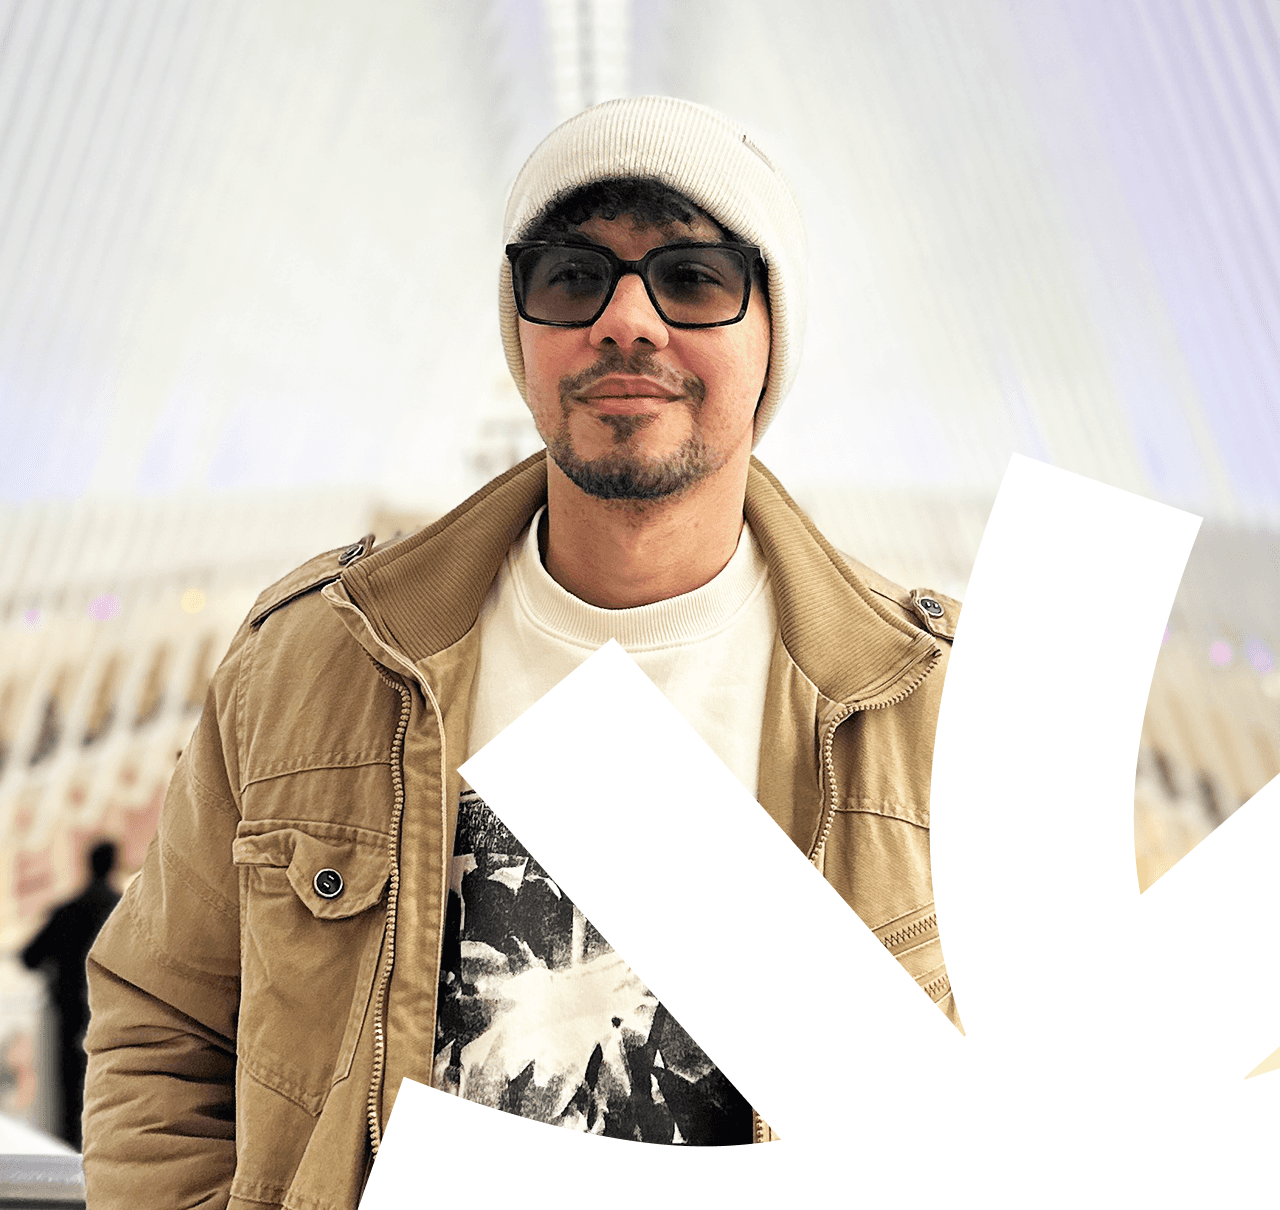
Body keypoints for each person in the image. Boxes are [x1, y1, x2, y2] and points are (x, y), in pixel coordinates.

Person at [83, 97, 961, 1209]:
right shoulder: (311, 664)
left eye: (693, 279)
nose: (627, 321)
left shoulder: (935, 709)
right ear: (523, 333)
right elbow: (161, 1027)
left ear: (770, 337)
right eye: (573, 276)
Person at [22, 839, 120, 1149]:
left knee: (69, 1093)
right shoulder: (122, 911)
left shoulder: (67, 911)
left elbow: (29, 957)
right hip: (113, 1017)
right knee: (111, 1087)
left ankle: (72, 1154)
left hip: (70, 1014)